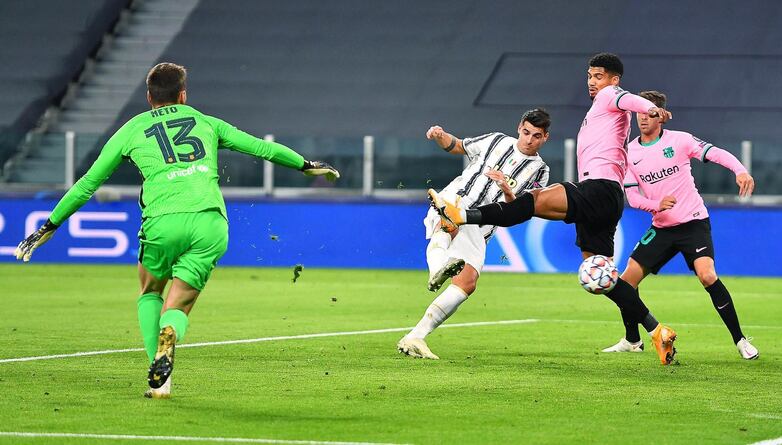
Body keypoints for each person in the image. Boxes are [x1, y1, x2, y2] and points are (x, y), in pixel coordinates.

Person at [14, 62, 340, 397]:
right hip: (210, 223)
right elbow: (262, 147)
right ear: (182, 95)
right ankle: (170, 332)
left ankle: (159, 376)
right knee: (179, 304)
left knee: (150, 290)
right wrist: (306, 164)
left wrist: (49, 225)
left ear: (148, 96)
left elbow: (87, 184)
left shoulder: (132, 129)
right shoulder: (206, 122)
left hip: (163, 222)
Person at [429, 53, 679, 365]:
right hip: (608, 200)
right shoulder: (605, 111)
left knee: (531, 202)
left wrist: (651, 108)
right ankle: (653, 332)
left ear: (613, 80)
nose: (592, 81)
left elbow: (630, 100)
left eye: (598, 76)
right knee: (599, 275)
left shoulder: (609, 97)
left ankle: (463, 215)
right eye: (589, 75)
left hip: (598, 189)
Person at [602, 90, 759, 360]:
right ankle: (632, 340)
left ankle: (741, 340)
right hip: (661, 227)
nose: (642, 118)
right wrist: (656, 205)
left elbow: (715, 153)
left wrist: (740, 170)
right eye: (639, 113)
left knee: (707, 275)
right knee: (626, 281)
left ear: (660, 116)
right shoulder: (630, 152)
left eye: (649, 113)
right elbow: (632, 196)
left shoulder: (681, 140)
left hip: (693, 223)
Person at [397, 109, 551, 359]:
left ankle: (415, 337)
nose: (529, 139)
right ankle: (437, 266)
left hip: (482, 225)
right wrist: (440, 135)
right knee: (448, 221)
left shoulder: (540, 171)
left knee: (467, 283)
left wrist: (506, 188)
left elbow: (519, 211)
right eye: (526, 132)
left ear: (545, 138)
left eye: (536, 135)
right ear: (518, 128)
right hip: (457, 198)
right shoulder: (497, 140)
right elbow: (459, 146)